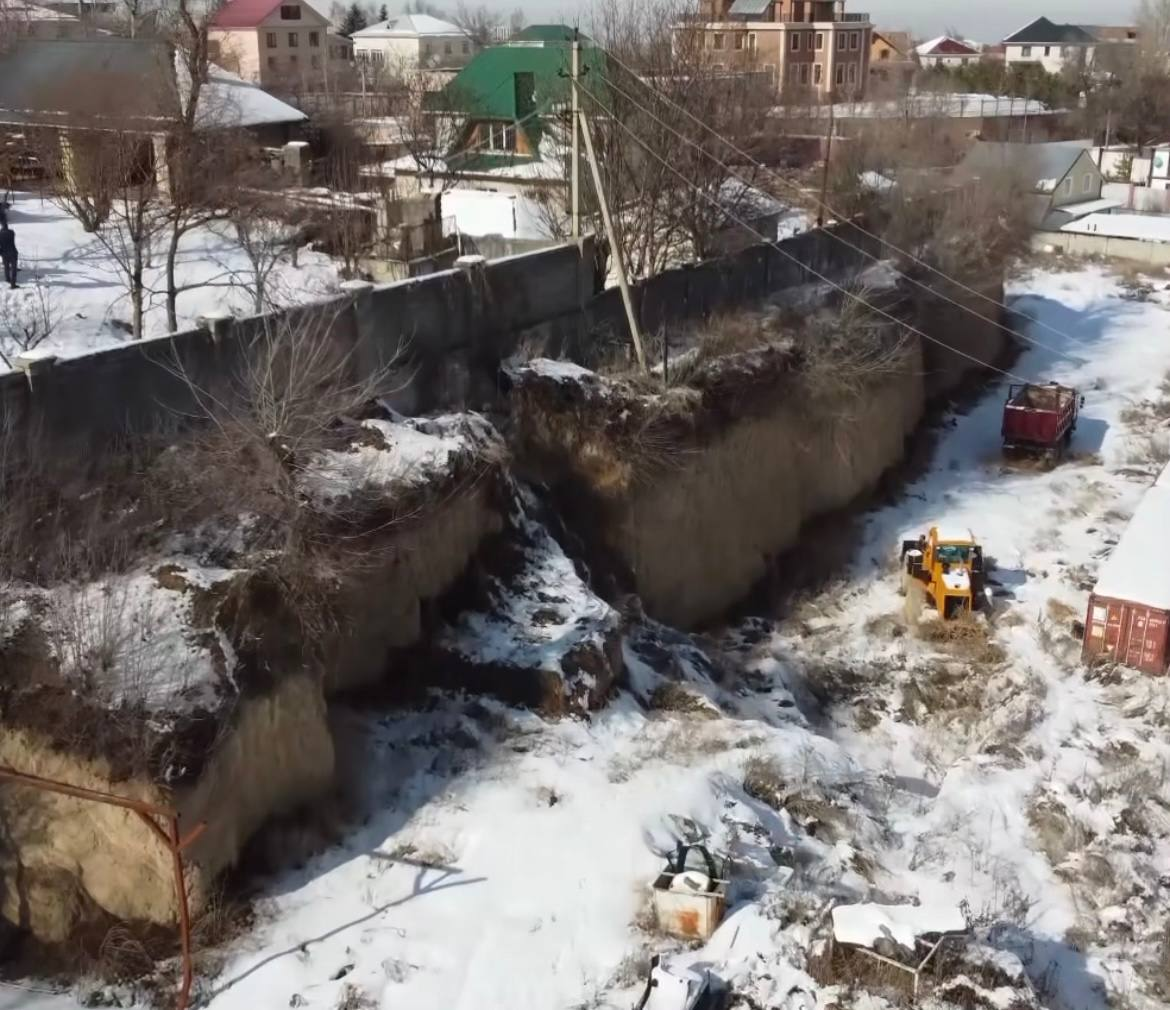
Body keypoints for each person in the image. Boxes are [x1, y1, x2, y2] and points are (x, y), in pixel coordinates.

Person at [0, 224, 17, 289]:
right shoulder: (11, 233)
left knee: (6, 267)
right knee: (13, 269)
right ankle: (13, 284)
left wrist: (1, 253)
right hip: (12, 252)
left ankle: (7, 278)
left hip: (4, 253)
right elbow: (12, 232)